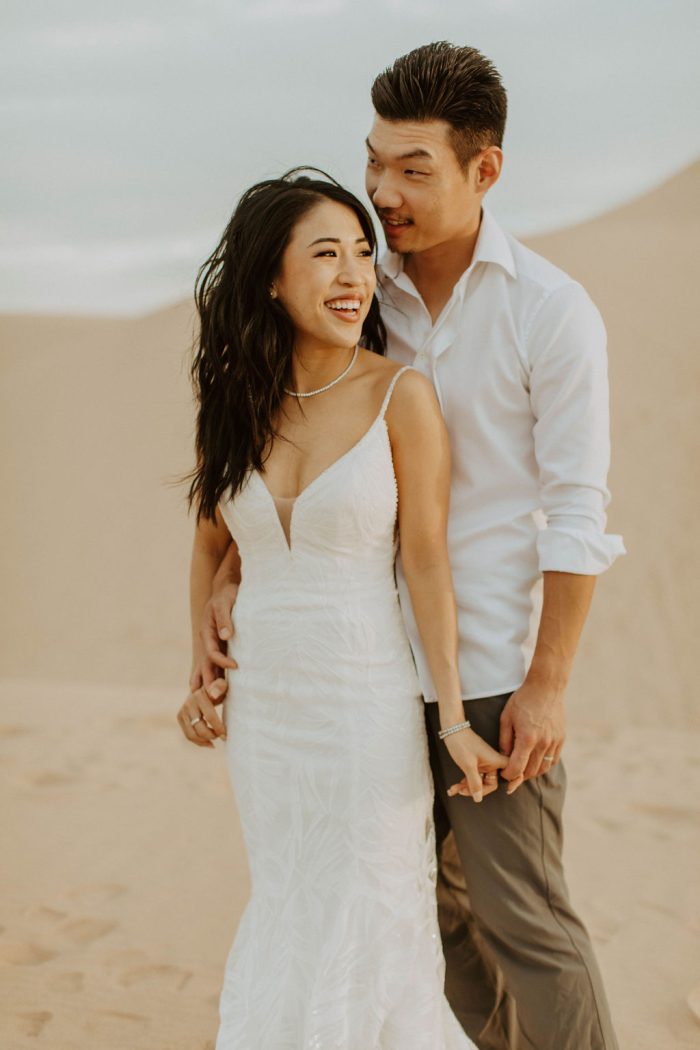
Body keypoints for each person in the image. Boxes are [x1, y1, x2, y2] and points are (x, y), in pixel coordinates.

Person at [192, 43, 626, 1050]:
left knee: (524, 921)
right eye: (374, 162)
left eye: (413, 169)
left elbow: (576, 512)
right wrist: (234, 566)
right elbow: (296, 441)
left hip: (483, 669)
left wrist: (547, 681)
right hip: (363, 677)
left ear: (485, 172)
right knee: (418, 920)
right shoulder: (357, 288)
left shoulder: (550, 313)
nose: (382, 191)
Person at [177, 169, 509, 1049]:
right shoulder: (237, 405)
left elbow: (428, 563)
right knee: (288, 903)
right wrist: (201, 656)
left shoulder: (402, 398)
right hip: (267, 718)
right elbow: (214, 544)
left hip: (364, 707)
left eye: (363, 253)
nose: (355, 275)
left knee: (371, 916)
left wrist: (448, 720)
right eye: (325, 255)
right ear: (271, 281)